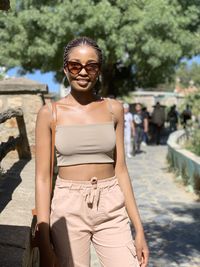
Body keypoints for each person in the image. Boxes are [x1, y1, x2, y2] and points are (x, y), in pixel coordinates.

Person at [35, 36, 149, 267]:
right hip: (67, 209)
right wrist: (44, 241)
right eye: (75, 65)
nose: (83, 72)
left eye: (91, 66)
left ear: (99, 70)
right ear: (65, 69)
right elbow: (43, 178)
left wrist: (139, 229)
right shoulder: (50, 114)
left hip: (111, 206)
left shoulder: (114, 109)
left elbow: (122, 171)